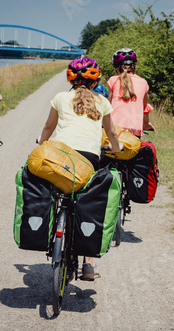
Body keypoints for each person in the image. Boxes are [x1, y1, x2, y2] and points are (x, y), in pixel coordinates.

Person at [38, 57, 122, 280]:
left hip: (61, 155)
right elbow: (112, 133)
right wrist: (118, 148)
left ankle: (47, 230)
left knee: (55, 190)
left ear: (70, 78)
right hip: (89, 159)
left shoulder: (61, 97)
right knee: (86, 203)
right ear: (95, 82)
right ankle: (88, 264)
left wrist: (41, 143)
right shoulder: (102, 101)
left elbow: (49, 126)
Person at [107, 48, 155, 137]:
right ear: (135, 66)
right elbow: (145, 108)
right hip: (134, 130)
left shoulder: (113, 80)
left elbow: (108, 106)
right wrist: (146, 123)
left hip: (114, 128)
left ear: (116, 67)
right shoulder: (143, 82)